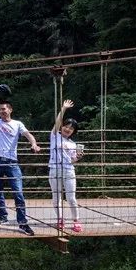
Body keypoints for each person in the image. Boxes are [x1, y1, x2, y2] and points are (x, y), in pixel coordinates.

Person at [0, 84, 41, 235]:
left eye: (4, 109)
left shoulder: (18, 124)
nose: (2, 111)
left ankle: (22, 222)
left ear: (10, 110)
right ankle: (2, 216)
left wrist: (34, 144)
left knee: (18, 192)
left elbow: (28, 134)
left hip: (11, 161)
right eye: (0, 109)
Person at [49, 99, 83, 232]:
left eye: (71, 128)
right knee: (56, 197)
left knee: (71, 197)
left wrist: (78, 158)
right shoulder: (54, 136)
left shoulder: (73, 144)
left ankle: (76, 220)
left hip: (69, 171)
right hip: (54, 170)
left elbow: (72, 160)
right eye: (66, 126)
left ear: (73, 131)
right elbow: (56, 124)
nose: (68, 129)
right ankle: (60, 219)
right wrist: (63, 109)